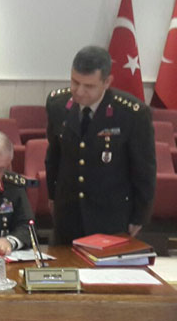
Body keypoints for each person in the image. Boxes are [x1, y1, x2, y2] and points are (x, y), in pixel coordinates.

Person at [45, 45, 156, 244]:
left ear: (107, 82)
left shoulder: (132, 113)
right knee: (66, 271)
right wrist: (52, 196)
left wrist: (140, 215)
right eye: (75, 82)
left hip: (110, 214)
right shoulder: (58, 104)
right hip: (67, 212)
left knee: (106, 274)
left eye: (88, 86)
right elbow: (54, 156)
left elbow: (144, 169)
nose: (79, 91)